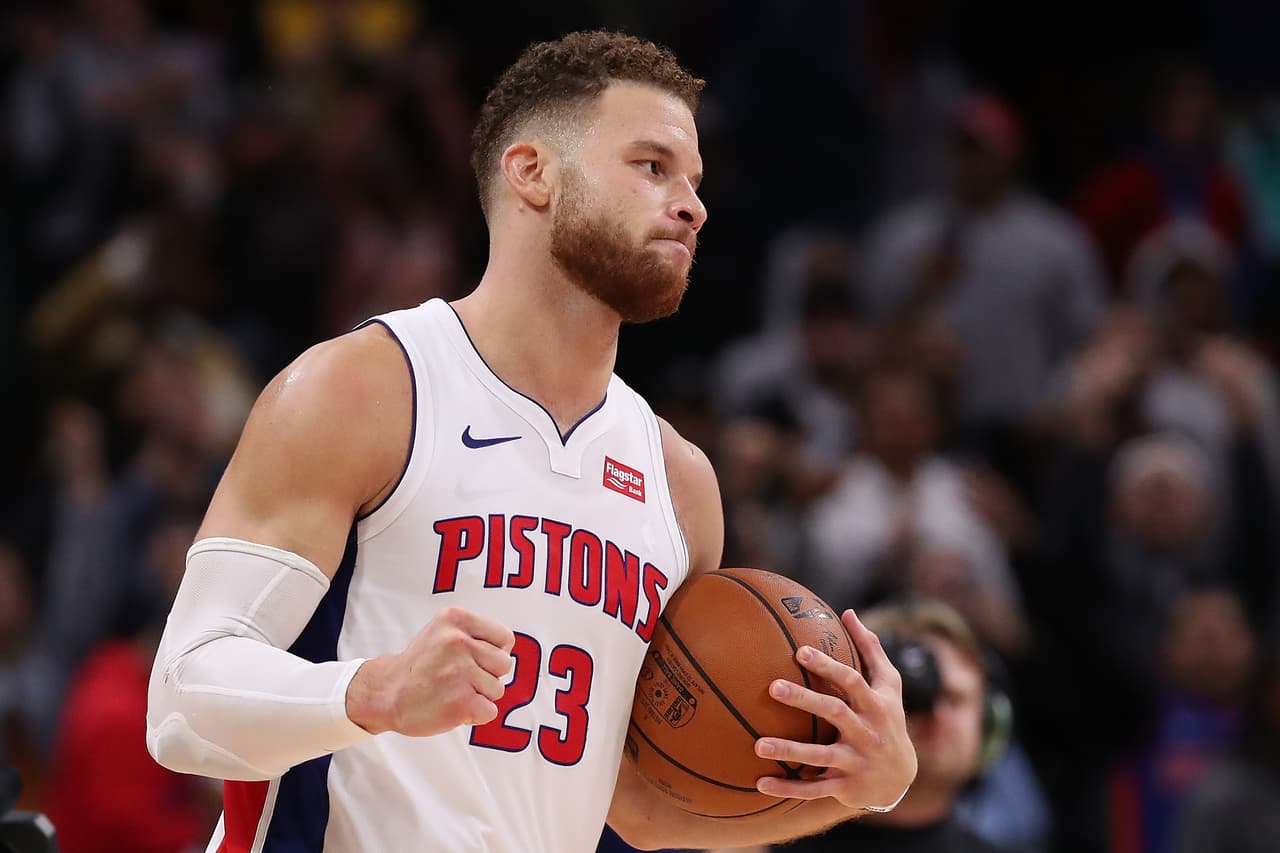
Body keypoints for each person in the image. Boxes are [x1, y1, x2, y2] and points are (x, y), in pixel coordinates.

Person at [145, 30, 916, 853]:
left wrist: (862, 788)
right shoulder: (366, 389)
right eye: (652, 166)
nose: (692, 204)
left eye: (694, 182)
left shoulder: (679, 483)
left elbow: (639, 806)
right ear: (532, 172)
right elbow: (183, 699)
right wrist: (373, 690)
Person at [785, 598, 1036, 853]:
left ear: (988, 722)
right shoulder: (763, 839)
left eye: (954, 697)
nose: (937, 714)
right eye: (913, 696)